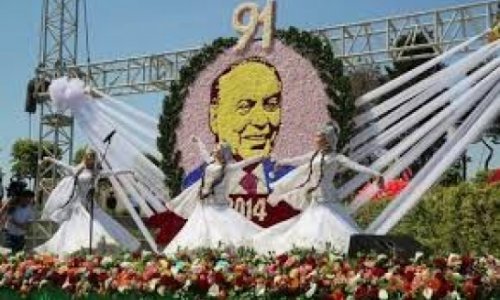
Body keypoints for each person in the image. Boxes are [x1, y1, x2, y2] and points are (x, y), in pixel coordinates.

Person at [253, 123, 383, 255]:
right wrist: (282, 162)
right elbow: (298, 159)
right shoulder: (315, 155)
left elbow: (355, 166)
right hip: (314, 195)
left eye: (318, 137)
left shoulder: (336, 158)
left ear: (326, 139)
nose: (315, 140)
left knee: (330, 220)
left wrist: (374, 173)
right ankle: (314, 248)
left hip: (327, 196)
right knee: (313, 221)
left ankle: (330, 248)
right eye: (316, 137)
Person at [163, 137, 263, 254]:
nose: (215, 149)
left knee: (217, 229)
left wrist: (260, 157)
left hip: (217, 204)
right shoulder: (211, 162)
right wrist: (198, 141)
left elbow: (245, 163)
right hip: (204, 203)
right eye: (216, 148)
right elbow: (204, 152)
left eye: (217, 148)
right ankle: (205, 251)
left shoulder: (228, 168)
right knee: (200, 228)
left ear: (222, 153)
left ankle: (217, 251)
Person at [35, 149, 140, 256]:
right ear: (85, 157)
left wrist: (129, 170)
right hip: (78, 205)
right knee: (76, 230)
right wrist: (50, 159)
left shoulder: (96, 172)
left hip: (91, 205)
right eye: (88, 156)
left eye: (92, 156)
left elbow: (113, 172)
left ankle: (96, 250)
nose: (90, 158)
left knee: (99, 227)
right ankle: (79, 251)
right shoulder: (77, 170)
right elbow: (63, 165)